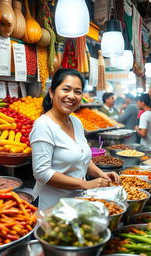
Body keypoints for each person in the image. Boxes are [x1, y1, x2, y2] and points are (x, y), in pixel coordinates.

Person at [30, 69, 119, 210]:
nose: (71, 96)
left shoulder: (76, 122)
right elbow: (42, 173)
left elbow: (82, 158)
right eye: (66, 89)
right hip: (51, 206)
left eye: (77, 92)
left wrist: (102, 175)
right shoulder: (43, 125)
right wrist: (86, 184)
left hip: (76, 202)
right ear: (52, 93)